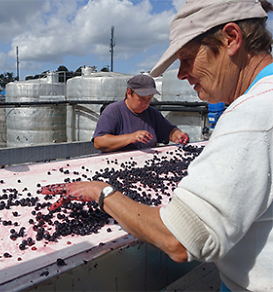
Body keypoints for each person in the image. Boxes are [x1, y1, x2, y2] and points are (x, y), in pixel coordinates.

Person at [42, 0, 273, 291]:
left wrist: (102, 192)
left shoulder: (252, 116)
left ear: (231, 38)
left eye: (187, 58)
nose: (181, 74)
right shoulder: (261, 105)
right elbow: (99, 141)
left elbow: (181, 239)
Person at [92, 74, 189, 152]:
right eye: (141, 99)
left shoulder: (152, 113)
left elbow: (169, 132)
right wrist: (131, 137)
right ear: (129, 93)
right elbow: (99, 142)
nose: (145, 103)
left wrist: (177, 135)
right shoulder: (113, 111)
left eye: (149, 99)